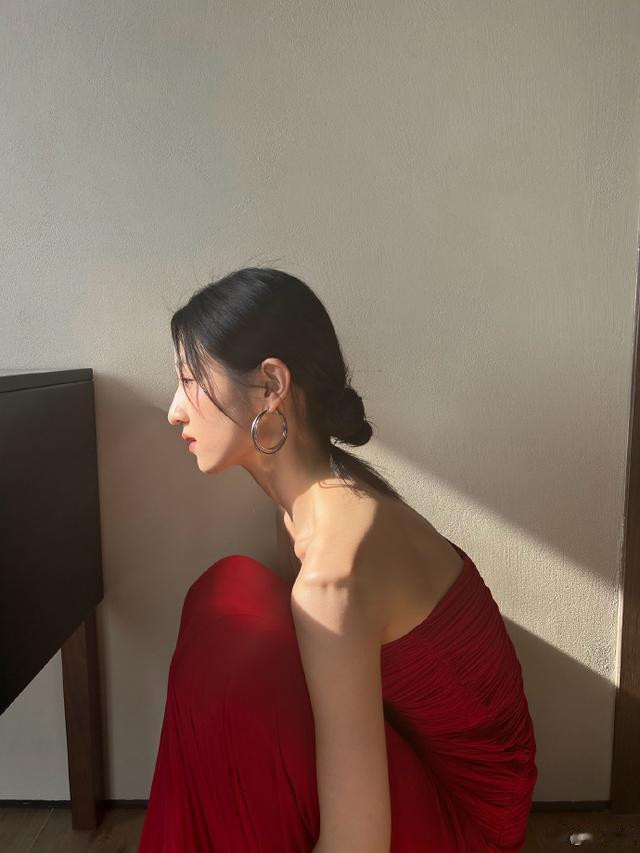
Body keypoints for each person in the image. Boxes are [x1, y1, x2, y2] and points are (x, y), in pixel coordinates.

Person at [137, 266, 537, 852]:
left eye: (191, 380)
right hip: (427, 773)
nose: (175, 410)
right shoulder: (315, 503)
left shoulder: (335, 568)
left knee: (230, 665)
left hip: (469, 827)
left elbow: (358, 843)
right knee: (226, 593)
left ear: (271, 385)